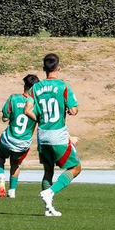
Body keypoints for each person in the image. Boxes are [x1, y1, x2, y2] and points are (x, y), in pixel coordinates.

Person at [30, 52, 82, 218]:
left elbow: (27, 110)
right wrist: (68, 110)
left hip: (42, 135)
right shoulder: (63, 86)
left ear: (44, 69)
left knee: (48, 171)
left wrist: (39, 118)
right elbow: (74, 110)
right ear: (58, 67)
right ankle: (50, 192)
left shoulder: (35, 88)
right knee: (75, 168)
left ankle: (48, 209)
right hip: (58, 135)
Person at [0, 74, 40, 198]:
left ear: (24, 85)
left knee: (0, 157)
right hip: (23, 143)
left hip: (9, 139)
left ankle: (1, 176)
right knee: (15, 164)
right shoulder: (37, 105)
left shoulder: (14, 98)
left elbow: (5, 118)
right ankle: (12, 191)